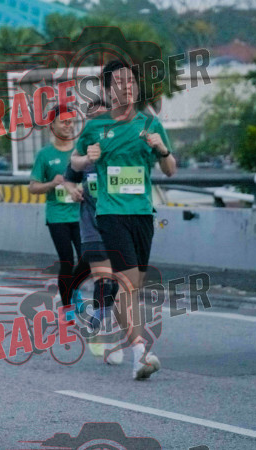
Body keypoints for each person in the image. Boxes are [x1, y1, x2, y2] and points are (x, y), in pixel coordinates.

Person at [72, 60, 177, 380]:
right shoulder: (96, 126)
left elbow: (170, 169)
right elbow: (73, 162)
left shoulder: (150, 124)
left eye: (131, 81)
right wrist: (86, 158)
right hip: (110, 214)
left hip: (142, 214)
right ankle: (140, 354)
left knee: (131, 286)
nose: (126, 86)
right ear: (107, 89)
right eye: (119, 81)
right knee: (128, 283)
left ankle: (117, 335)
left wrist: (162, 150)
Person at [64, 99, 121, 361]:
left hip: (120, 224)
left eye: (104, 115)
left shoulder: (122, 147)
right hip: (92, 224)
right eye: (93, 117)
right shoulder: (83, 153)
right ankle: (100, 331)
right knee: (104, 280)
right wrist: (72, 190)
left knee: (117, 283)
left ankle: (96, 319)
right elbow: (68, 178)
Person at [29, 106, 86, 321]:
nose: (68, 125)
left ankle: (74, 288)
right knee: (67, 261)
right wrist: (52, 183)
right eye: (63, 121)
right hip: (57, 216)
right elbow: (33, 187)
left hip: (81, 215)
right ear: (52, 125)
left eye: (71, 121)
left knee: (87, 259)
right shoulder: (45, 154)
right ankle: (67, 307)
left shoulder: (81, 151)